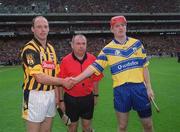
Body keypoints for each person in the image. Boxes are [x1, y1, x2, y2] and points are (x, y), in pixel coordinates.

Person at [71, 16, 154, 132]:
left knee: (148, 125)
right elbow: (94, 67)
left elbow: (145, 67)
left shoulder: (137, 44)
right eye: (117, 26)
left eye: (123, 25)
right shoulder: (107, 49)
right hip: (121, 90)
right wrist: (76, 79)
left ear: (126, 27)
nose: (121, 28)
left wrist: (149, 88)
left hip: (139, 89)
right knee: (122, 126)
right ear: (112, 29)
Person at [20, 16, 73, 132]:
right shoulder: (29, 49)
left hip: (50, 94)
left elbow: (56, 74)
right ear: (32, 29)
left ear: (49, 29)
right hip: (34, 95)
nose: (43, 30)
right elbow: (39, 77)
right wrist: (63, 82)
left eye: (45, 27)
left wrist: (58, 96)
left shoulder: (51, 49)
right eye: (39, 27)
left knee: (47, 130)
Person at [55, 34, 103, 132]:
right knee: (72, 127)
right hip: (71, 100)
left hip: (87, 98)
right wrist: (61, 101)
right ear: (72, 45)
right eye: (78, 43)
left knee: (87, 126)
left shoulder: (93, 59)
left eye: (83, 43)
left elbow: (95, 79)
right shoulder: (65, 61)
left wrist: (96, 95)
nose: (81, 46)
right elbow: (60, 83)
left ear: (86, 45)